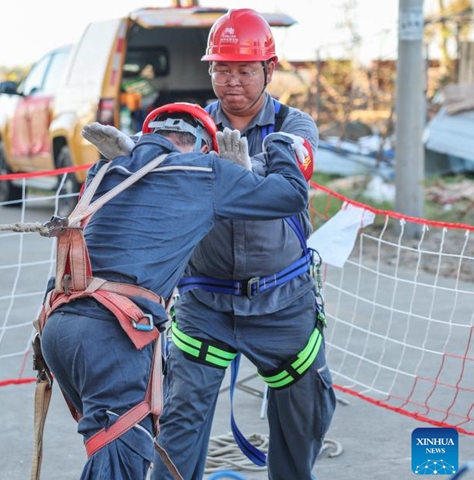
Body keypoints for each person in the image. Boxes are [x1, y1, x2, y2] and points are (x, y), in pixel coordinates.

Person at [31, 102, 312, 480]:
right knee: (119, 461)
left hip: (58, 330)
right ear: (204, 147)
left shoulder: (106, 170)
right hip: (112, 335)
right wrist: (278, 145)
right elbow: (291, 195)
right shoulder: (204, 172)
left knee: (112, 451)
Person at [150, 8, 337, 480]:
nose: (232, 81)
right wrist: (132, 158)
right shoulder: (190, 130)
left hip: (283, 303)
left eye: (244, 70)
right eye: (222, 69)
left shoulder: (295, 126)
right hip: (205, 305)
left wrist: (248, 173)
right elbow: (154, 164)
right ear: (209, 69)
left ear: (269, 71)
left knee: (305, 418)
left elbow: (289, 180)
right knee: (178, 426)